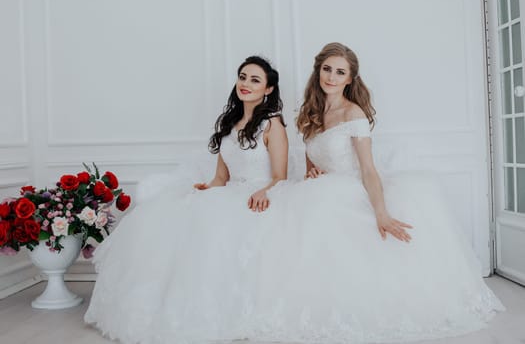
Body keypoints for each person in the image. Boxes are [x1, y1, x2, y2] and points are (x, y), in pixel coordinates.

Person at [246, 42, 505, 343]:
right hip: (323, 191)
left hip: (353, 188)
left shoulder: (353, 113)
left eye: (340, 72)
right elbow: (310, 164)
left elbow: (368, 170)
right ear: (318, 70)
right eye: (327, 69)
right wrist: (312, 172)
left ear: (350, 79)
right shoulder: (310, 112)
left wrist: (381, 213)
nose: (331, 77)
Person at [84, 56, 289, 343]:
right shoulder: (230, 124)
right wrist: (207, 188)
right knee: (177, 216)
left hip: (259, 195)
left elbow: (280, 175)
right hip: (230, 193)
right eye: (242, 76)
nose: (245, 84)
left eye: (255, 80)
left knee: (217, 234)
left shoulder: (272, 124)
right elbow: (221, 178)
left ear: (268, 89)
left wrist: (265, 190)